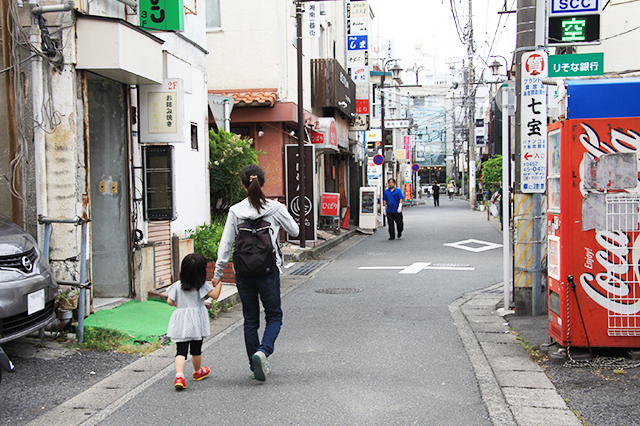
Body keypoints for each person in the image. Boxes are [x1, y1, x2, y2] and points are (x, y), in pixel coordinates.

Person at [212, 164, 299, 382]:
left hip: (243, 272)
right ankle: (263, 351)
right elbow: (295, 231)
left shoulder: (235, 210)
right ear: (263, 182)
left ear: (244, 185)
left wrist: (218, 272)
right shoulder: (275, 208)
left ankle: (254, 364)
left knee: (250, 320)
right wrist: (283, 212)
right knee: (274, 316)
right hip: (268, 270)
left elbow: (226, 243)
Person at [166, 253, 222, 390]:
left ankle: (179, 375)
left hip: (182, 322)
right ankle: (197, 372)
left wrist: (180, 305)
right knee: (196, 350)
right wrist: (219, 284)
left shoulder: (178, 285)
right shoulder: (201, 285)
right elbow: (215, 296)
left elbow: (170, 301)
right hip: (196, 322)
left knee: (181, 351)